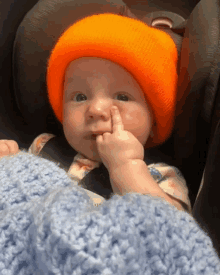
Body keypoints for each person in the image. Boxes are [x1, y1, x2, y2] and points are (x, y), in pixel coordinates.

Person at [0, 13, 192, 213]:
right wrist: (8, 162)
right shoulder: (43, 147)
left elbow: (176, 232)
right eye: (80, 97)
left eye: (123, 97)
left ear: (153, 122)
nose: (96, 110)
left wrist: (125, 169)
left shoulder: (160, 175)